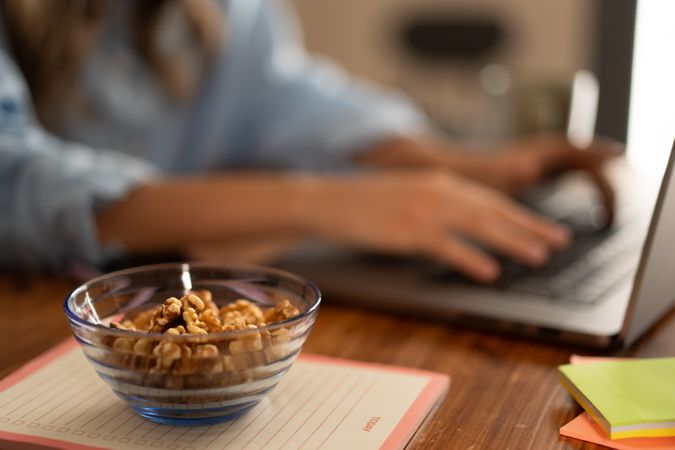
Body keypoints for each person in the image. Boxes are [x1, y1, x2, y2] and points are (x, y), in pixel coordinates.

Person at [0, 0, 619, 283]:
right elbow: (19, 178)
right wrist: (324, 201)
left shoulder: (213, 13)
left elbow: (292, 96)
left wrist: (468, 165)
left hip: (176, 284)